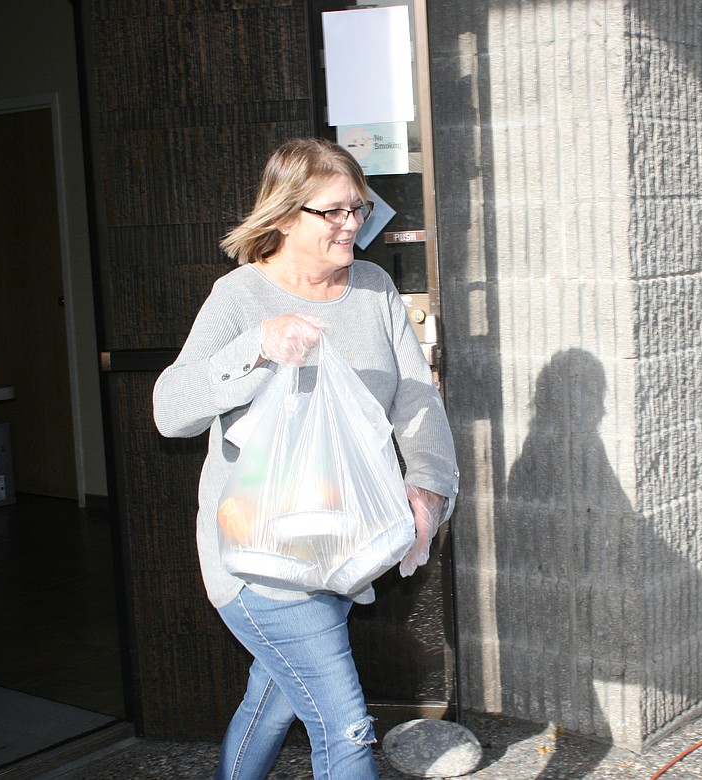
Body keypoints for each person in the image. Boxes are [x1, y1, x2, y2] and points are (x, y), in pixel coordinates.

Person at [152, 137, 459, 780]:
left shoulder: (373, 288)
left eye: (359, 208)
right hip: (257, 560)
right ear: (286, 216)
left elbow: (415, 400)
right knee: (344, 728)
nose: (353, 224)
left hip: (346, 549)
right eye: (333, 212)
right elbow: (170, 408)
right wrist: (256, 348)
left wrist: (427, 491)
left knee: (271, 700)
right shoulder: (239, 298)